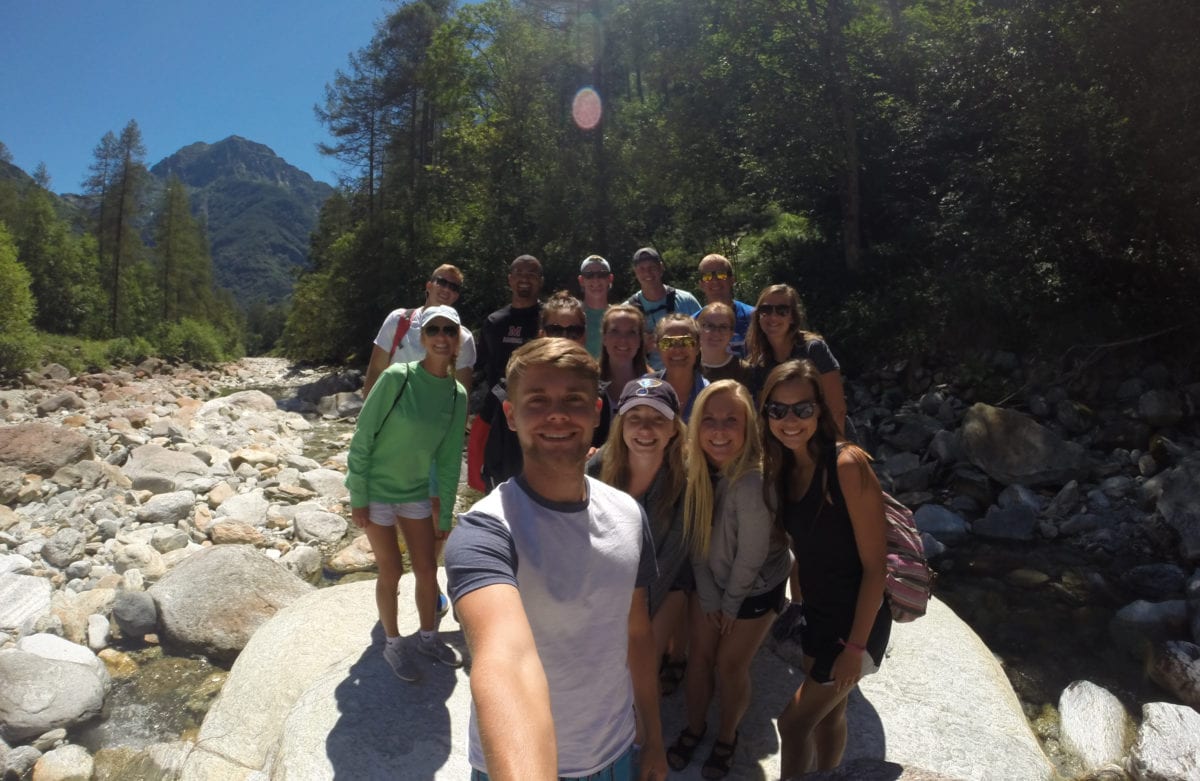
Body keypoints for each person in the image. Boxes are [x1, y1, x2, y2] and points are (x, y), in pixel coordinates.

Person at [445, 339, 669, 781]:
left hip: (617, 750)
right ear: (510, 416)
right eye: (538, 401)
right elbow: (504, 659)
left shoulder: (628, 513)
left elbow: (637, 632)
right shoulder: (484, 531)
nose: (558, 414)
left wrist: (655, 738)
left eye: (573, 400)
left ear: (598, 411)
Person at [759, 359, 891, 776]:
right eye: (778, 410)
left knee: (793, 723)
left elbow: (876, 567)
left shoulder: (848, 466)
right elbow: (805, 549)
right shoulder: (786, 468)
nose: (790, 420)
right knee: (831, 715)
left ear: (820, 409)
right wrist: (798, 607)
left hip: (856, 623)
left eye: (802, 408)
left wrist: (855, 648)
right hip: (818, 614)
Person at [667, 380, 792, 780]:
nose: (719, 431)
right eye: (710, 419)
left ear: (749, 428)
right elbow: (698, 544)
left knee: (729, 665)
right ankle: (694, 726)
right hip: (715, 583)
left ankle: (726, 735)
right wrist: (708, 598)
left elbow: (751, 556)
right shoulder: (697, 471)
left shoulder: (753, 482)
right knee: (699, 657)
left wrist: (729, 605)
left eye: (731, 421)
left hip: (753, 588)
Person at [345, 305, 469, 682]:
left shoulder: (456, 395)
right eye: (435, 330)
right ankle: (394, 644)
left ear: (459, 340)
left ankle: (428, 638)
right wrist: (358, 495)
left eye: (450, 330)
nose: (442, 337)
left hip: (415, 490)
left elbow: (448, 461)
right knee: (392, 569)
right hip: (377, 490)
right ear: (422, 338)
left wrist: (445, 512)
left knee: (428, 569)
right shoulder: (397, 377)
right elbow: (363, 435)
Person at [589, 378, 690, 699]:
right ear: (620, 425)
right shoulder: (597, 467)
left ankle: (671, 656)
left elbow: (674, 556)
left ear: (674, 428)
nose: (645, 429)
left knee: (639, 661)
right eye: (635, 418)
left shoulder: (687, 477)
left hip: (670, 582)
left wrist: (637, 615)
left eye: (658, 419)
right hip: (612, 583)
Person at [467, 291, 611, 492]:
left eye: (573, 331)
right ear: (542, 333)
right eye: (555, 330)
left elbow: (609, 457)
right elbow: (495, 458)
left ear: (584, 335)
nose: (564, 338)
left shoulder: (599, 392)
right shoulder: (511, 390)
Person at [746, 284, 849, 435]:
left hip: (827, 439)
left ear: (793, 317)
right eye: (766, 310)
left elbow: (837, 410)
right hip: (789, 441)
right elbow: (766, 417)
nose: (773, 316)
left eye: (782, 311)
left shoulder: (813, 350)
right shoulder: (760, 364)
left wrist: (830, 451)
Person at [362, 263, 475, 398]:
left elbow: (462, 393)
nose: (446, 289)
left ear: (456, 296)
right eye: (442, 282)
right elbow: (376, 370)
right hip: (391, 410)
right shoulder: (398, 320)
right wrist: (368, 413)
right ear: (429, 286)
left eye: (453, 287)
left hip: (434, 414)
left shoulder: (463, 338)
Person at [625, 247, 702, 371]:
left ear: (661, 268)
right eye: (642, 269)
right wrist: (641, 346)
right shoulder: (627, 311)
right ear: (636, 272)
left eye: (652, 267)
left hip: (688, 373)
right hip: (647, 379)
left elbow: (704, 338)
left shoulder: (686, 301)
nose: (648, 273)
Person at [474, 254, 544, 391]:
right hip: (497, 405)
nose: (524, 278)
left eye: (531, 274)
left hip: (538, 402)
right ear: (510, 279)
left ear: (540, 281)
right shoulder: (494, 322)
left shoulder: (550, 320)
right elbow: (480, 367)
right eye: (518, 273)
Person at [648, 313, 708, 423]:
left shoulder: (710, 395)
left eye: (686, 342)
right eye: (668, 343)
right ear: (657, 347)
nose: (677, 349)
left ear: (698, 346)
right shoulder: (644, 390)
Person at [695, 254, 754, 358]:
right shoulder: (694, 323)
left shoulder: (753, 317)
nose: (714, 281)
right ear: (701, 284)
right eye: (707, 276)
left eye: (721, 274)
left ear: (732, 280)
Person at [599, 304, 650, 409]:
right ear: (604, 338)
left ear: (640, 340)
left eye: (631, 332)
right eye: (615, 331)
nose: (623, 340)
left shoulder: (655, 384)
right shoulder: (589, 381)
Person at [697, 302, 752, 387]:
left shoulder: (743, 370)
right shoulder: (688, 364)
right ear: (698, 329)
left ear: (732, 333)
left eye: (723, 327)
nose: (716, 332)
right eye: (710, 326)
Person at [578, 254, 613, 359]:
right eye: (589, 275)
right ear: (581, 280)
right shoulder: (573, 315)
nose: (596, 280)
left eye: (601, 274)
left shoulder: (618, 316)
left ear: (610, 279)